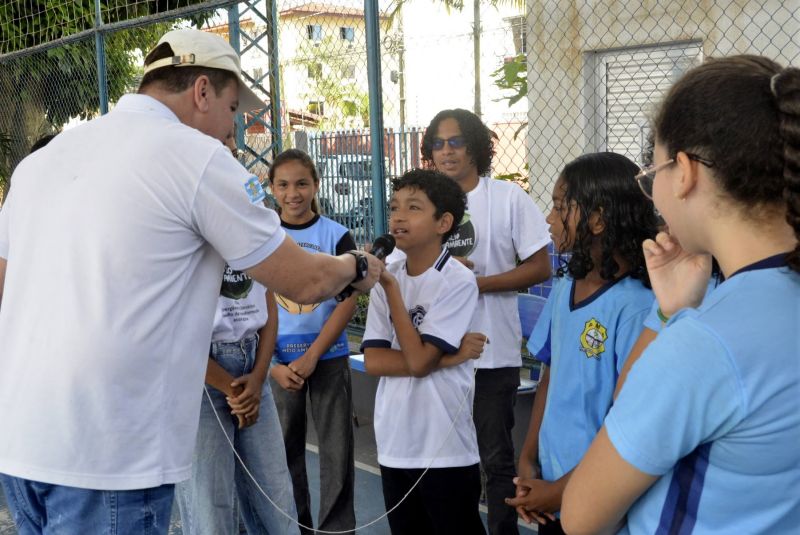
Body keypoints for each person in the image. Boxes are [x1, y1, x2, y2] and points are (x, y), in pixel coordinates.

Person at [0, 28, 382, 533]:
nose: (232, 127)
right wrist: (357, 266)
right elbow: (305, 281)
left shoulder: (43, 160)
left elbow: (6, 283)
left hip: (21, 442)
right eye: (231, 109)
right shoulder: (194, 156)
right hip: (109, 454)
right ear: (202, 91)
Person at [561, 55, 800, 534]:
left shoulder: (706, 342)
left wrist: (671, 324)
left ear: (685, 172)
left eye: (654, 173)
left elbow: (581, 516)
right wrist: (673, 312)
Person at [504, 152, 658, 534]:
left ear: (598, 219)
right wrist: (528, 458)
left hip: (600, 499)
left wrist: (561, 491)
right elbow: (550, 375)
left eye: (560, 207)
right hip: (550, 488)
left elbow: (632, 421)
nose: (549, 218)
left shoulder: (638, 307)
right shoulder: (565, 287)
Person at [420, 109, 552, 535]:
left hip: (493, 353)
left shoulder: (508, 198)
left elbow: (540, 267)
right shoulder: (423, 204)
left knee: (495, 460)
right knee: (443, 459)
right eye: (438, 143)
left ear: (476, 146)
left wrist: (474, 285)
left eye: (455, 141)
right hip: (437, 351)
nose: (446, 151)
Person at [175, 137, 299, 535]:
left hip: (252, 366)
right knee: (210, 508)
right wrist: (232, 388)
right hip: (202, 372)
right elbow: (176, 330)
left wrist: (258, 378)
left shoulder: (252, 207)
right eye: (221, 141)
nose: (230, 147)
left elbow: (269, 303)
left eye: (232, 143)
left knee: (275, 497)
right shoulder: (179, 213)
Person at [362, 169, 489, 534]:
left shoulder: (457, 281)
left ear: (443, 223)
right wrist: (449, 357)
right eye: (394, 207)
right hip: (395, 442)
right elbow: (374, 360)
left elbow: (418, 363)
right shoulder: (388, 276)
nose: (398, 217)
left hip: (444, 448)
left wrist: (391, 289)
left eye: (413, 208)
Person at [267, 149, 357, 534]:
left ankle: (337, 528)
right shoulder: (263, 236)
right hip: (278, 364)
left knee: (337, 453)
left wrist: (314, 355)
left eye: (302, 183)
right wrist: (272, 365)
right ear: (272, 189)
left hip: (328, 357)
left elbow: (348, 299)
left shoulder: (336, 235)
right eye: (284, 185)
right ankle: (295, 526)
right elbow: (253, 301)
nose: (293, 193)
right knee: (284, 452)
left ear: (316, 185)